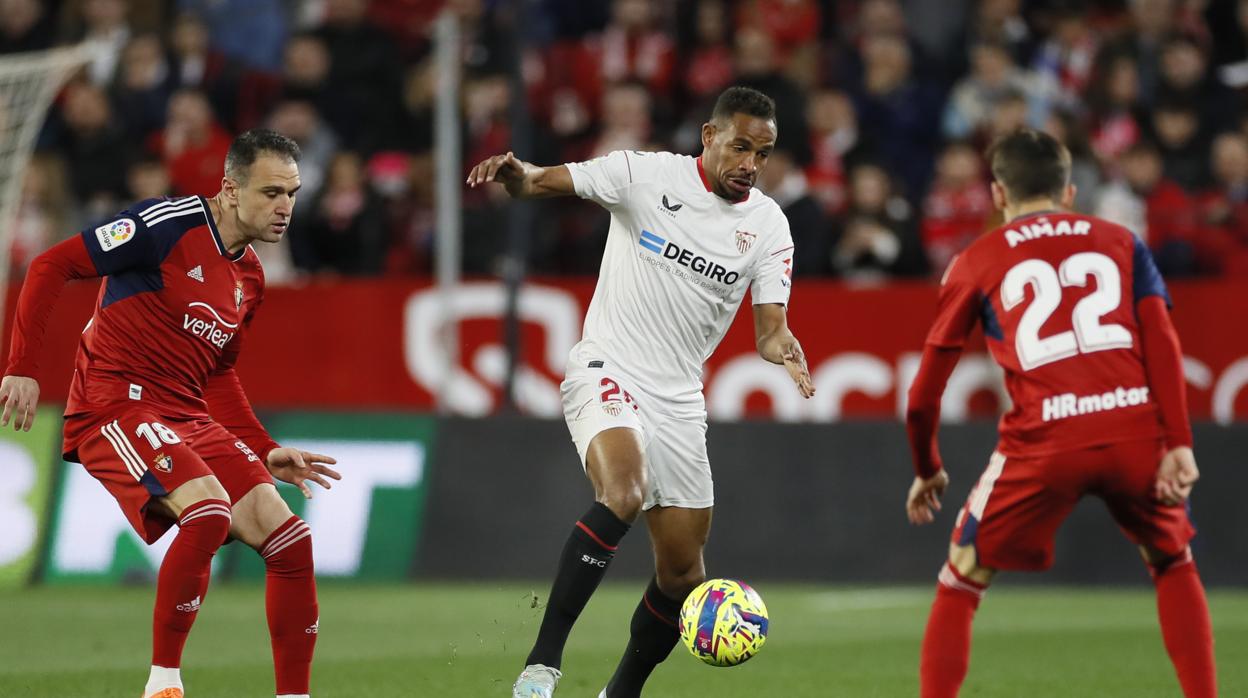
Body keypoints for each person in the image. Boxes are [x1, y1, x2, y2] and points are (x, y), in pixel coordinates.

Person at [467, 86, 814, 698]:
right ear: (709, 137)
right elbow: (542, 183)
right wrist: (517, 174)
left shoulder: (768, 226)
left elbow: (768, 329)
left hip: (679, 398)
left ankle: (619, 693)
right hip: (609, 366)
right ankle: (541, 668)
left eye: (762, 153)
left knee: (682, 575)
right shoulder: (642, 174)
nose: (750, 165)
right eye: (739, 147)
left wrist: (782, 343)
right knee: (622, 492)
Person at [0, 129, 341, 698]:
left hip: (186, 415)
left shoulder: (249, 277)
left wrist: (262, 447)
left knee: (290, 540)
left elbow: (220, 374)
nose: (286, 208)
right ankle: (163, 684)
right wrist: (22, 366)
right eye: (271, 193)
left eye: (293, 193)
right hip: (114, 404)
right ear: (230, 189)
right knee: (207, 512)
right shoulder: (164, 225)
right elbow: (49, 266)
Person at [904, 128, 1216, 698]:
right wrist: (1178, 442)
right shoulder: (1121, 241)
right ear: (1069, 191)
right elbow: (1162, 343)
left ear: (999, 195)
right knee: (1173, 560)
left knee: (961, 579)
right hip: (1134, 431)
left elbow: (925, 391)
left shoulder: (976, 260)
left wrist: (927, 466)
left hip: (1044, 440)